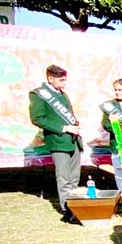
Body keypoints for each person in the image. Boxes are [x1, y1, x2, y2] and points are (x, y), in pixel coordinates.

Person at [28, 65, 83, 223]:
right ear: (50, 79)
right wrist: (65, 128)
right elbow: (37, 118)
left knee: (74, 178)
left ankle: (75, 207)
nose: (64, 83)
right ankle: (68, 211)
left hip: (74, 140)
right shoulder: (38, 94)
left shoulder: (63, 94)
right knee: (64, 178)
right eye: (61, 80)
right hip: (59, 141)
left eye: (65, 79)